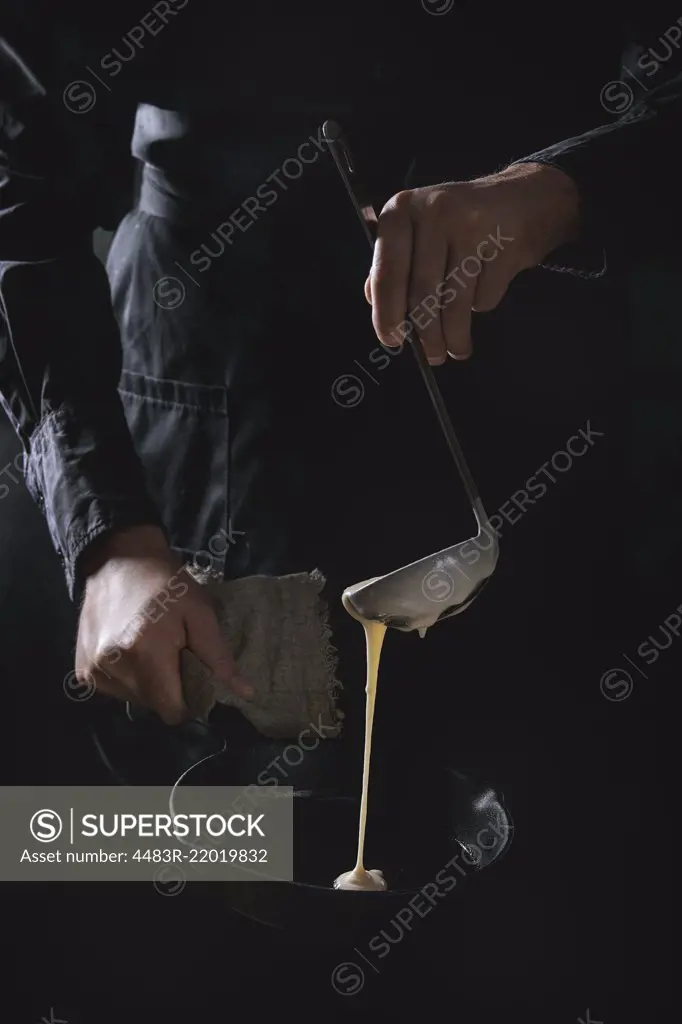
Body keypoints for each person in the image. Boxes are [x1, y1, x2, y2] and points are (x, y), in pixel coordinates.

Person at [2, 1, 681, 739]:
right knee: (250, 819)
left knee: (556, 782)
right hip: (213, 402)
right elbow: (20, 194)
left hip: (545, 388)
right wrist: (107, 535)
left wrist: (558, 192)